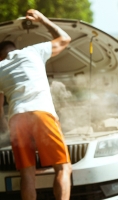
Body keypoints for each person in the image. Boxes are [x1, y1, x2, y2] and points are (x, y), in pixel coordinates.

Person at [0, 9, 72, 200]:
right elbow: (64, 38)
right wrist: (41, 19)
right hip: (41, 113)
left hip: (16, 118)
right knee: (63, 168)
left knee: (27, 175)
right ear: (15, 48)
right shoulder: (31, 51)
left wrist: (2, 130)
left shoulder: (0, 68)